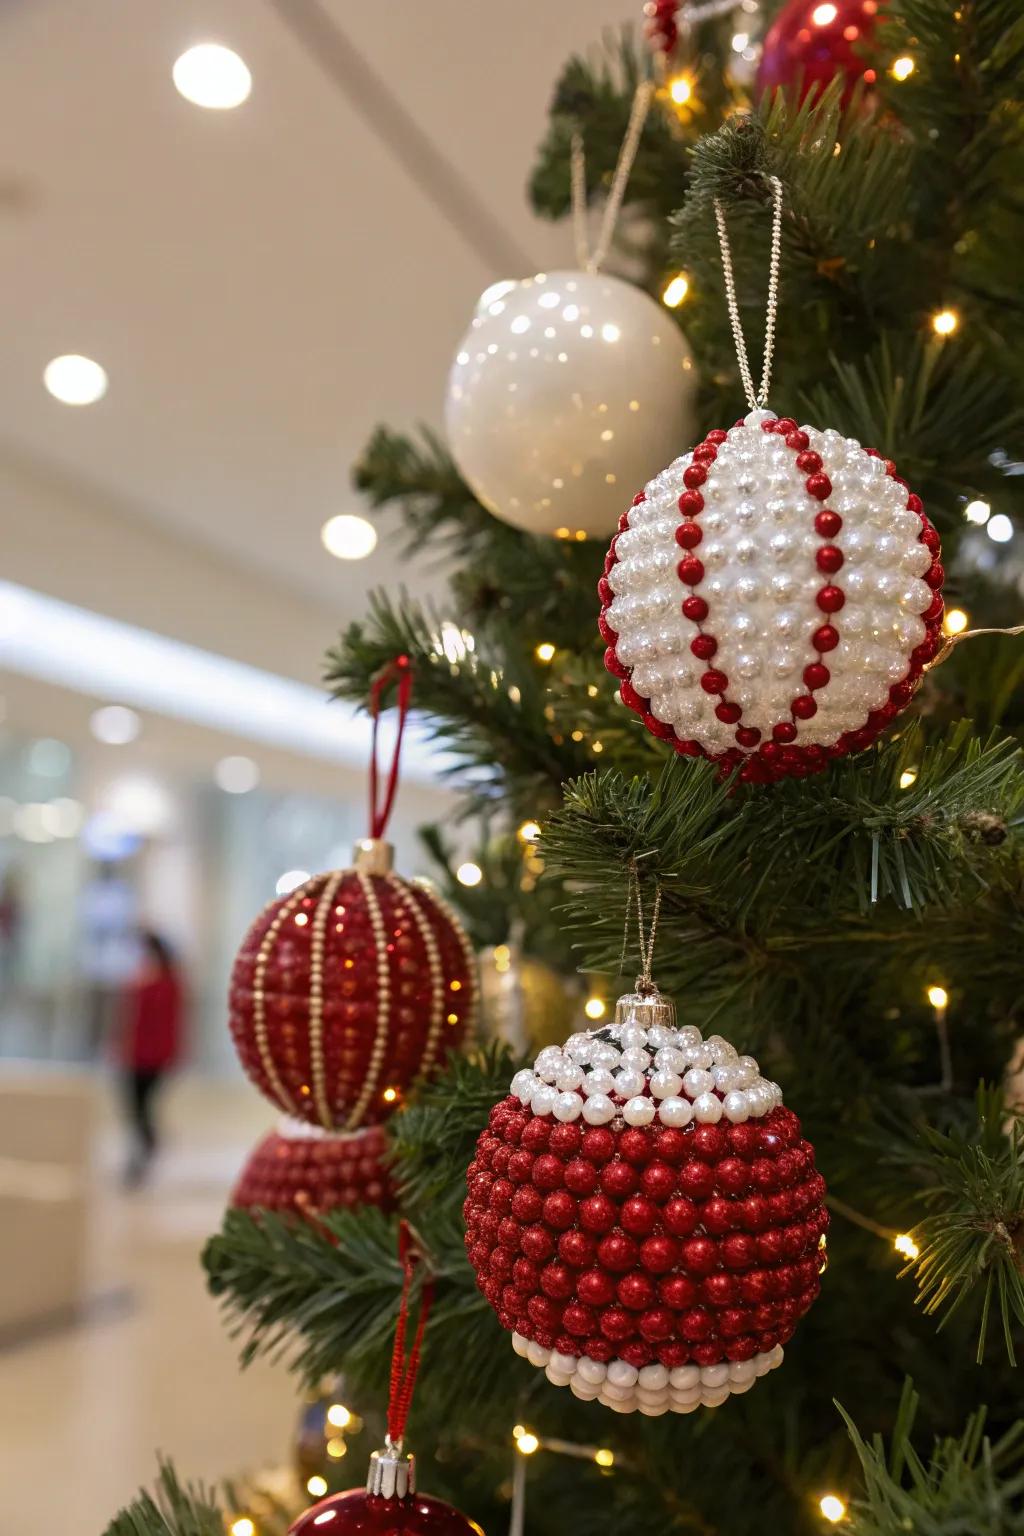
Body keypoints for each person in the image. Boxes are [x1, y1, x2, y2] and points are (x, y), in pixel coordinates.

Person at [118, 930, 184, 1186]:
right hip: (136, 1053)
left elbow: (171, 1023)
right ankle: (142, 1152)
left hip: (153, 1056)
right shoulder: (146, 978)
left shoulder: (166, 983)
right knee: (135, 1108)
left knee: (141, 1107)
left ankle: (147, 1149)